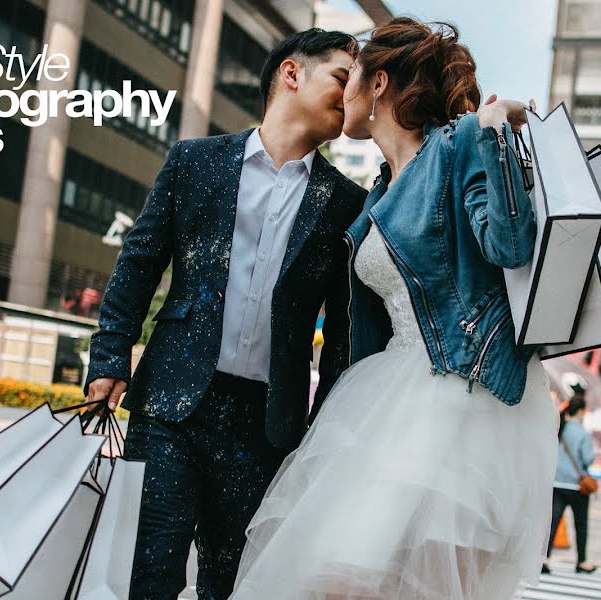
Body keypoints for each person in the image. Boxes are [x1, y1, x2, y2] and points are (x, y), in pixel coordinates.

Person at [232, 18, 558, 600]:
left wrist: (490, 134)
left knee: (382, 586)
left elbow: (509, 246)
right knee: (338, 583)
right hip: (390, 396)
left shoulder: (458, 146)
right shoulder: (380, 190)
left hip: (465, 402)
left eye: (350, 74)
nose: (342, 91)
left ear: (377, 84)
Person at [83, 29, 368, 599]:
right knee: (151, 571)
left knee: (234, 583)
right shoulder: (195, 162)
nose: (351, 96)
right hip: (170, 406)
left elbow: (341, 332)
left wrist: (323, 429)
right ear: (292, 74)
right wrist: (109, 354)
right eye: (342, 78)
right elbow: (139, 264)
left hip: (267, 427)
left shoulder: (347, 203)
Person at [542, 395, 598, 575]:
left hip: (557, 483)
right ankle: (581, 561)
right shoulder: (583, 433)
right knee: (581, 525)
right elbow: (588, 458)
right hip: (577, 487)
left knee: (552, 524)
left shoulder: (559, 429)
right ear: (581, 411)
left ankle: (544, 558)